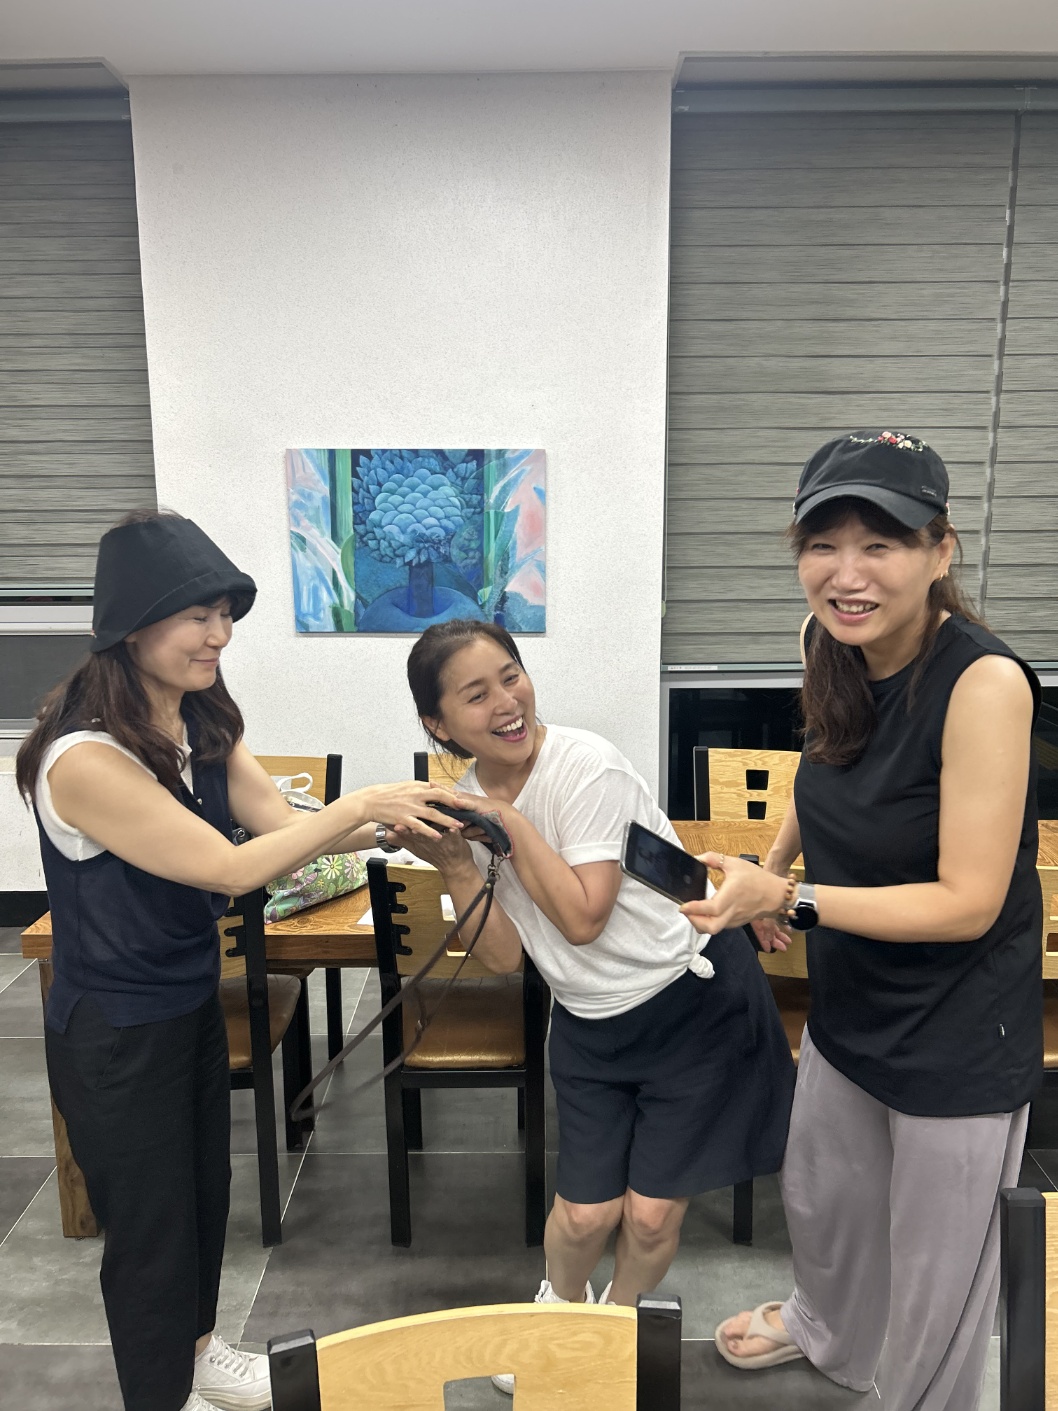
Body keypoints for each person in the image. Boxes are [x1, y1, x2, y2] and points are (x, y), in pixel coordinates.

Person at [15, 510, 460, 1411]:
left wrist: (406, 824)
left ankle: (200, 1353)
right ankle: (161, 1395)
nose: (219, 635)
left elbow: (285, 830)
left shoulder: (200, 722)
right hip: (116, 1034)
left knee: (202, 1197)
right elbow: (227, 867)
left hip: (189, 1005)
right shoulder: (82, 758)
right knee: (150, 1231)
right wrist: (360, 804)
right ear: (131, 626)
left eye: (225, 614)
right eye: (197, 616)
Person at [681, 431, 1042, 1411]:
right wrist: (773, 864)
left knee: (936, 1272)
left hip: (958, 1026)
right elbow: (823, 758)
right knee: (825, 1197)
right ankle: (828, 1331)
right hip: (853, 994)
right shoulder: (828, 639)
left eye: (879, 543)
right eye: (822, 544)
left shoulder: (982, 683)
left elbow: (967, 902)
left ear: (939, 549)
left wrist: (788, 901)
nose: (846, 574)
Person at [394, 618, 795, 1395]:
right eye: (476, 695)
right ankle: (557, 1309)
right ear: (438, 724)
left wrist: (508, 821)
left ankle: (615, 1323)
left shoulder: (587, 768)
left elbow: (583, 916)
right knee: (583, 1214)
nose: (507, 702)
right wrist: (455, 863)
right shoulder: (468, 807)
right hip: (589, 1020)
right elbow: (506, 956)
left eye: (511, 675)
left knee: (649, 1214)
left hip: (691, 1004)